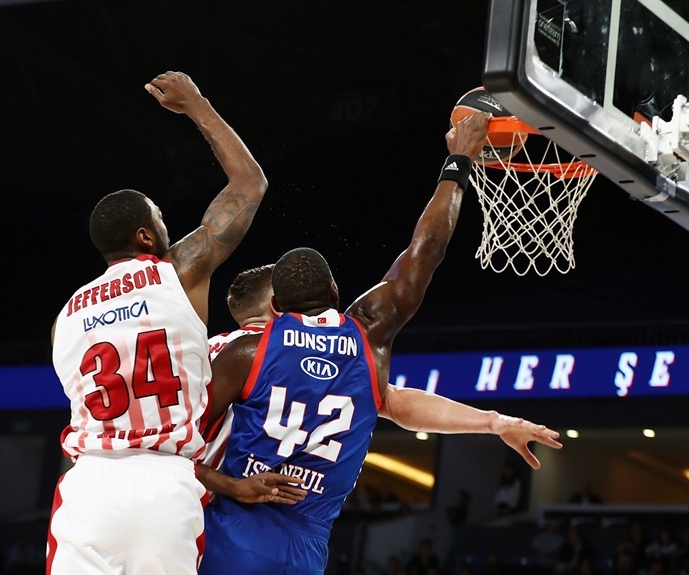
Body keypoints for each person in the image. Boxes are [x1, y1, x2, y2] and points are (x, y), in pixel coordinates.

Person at [198, 110, 563, 575]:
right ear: (335, 293)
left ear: (277, 308)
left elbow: (173, 445)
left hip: (234, 529)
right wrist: (458, 162)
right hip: (302, 541)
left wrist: (492, 423)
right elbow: (424, 252)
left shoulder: (243, 352)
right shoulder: (366, 339)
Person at [47, 70, 305, 575]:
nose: (168, 225)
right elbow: (249, 184)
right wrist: (196, 105)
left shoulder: (66, 317)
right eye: (161, 219)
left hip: (90, 484)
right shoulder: (177, 272)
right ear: (145, 236)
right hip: (166, 484)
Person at [204, 263, 278, 472]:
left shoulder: (206, 345)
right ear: (277, 304)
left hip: (179, 472)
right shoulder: (280, 352)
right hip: (227, 483)